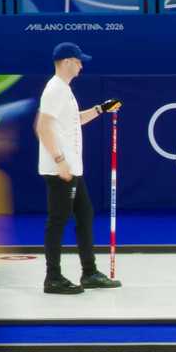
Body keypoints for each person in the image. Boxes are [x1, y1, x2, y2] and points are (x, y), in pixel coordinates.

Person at [35, 42, 122, 294]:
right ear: (67, 62)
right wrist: (60, 161)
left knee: (85, 215)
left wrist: (101, 109)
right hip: (60, 168)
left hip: (72, 167)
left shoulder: (65, 90)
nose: (82, 65)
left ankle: (89, 272)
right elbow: (43, 127)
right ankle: (52, 278)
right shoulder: (54, 89)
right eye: (79, 61)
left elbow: (74, 121)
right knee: (58, 220)